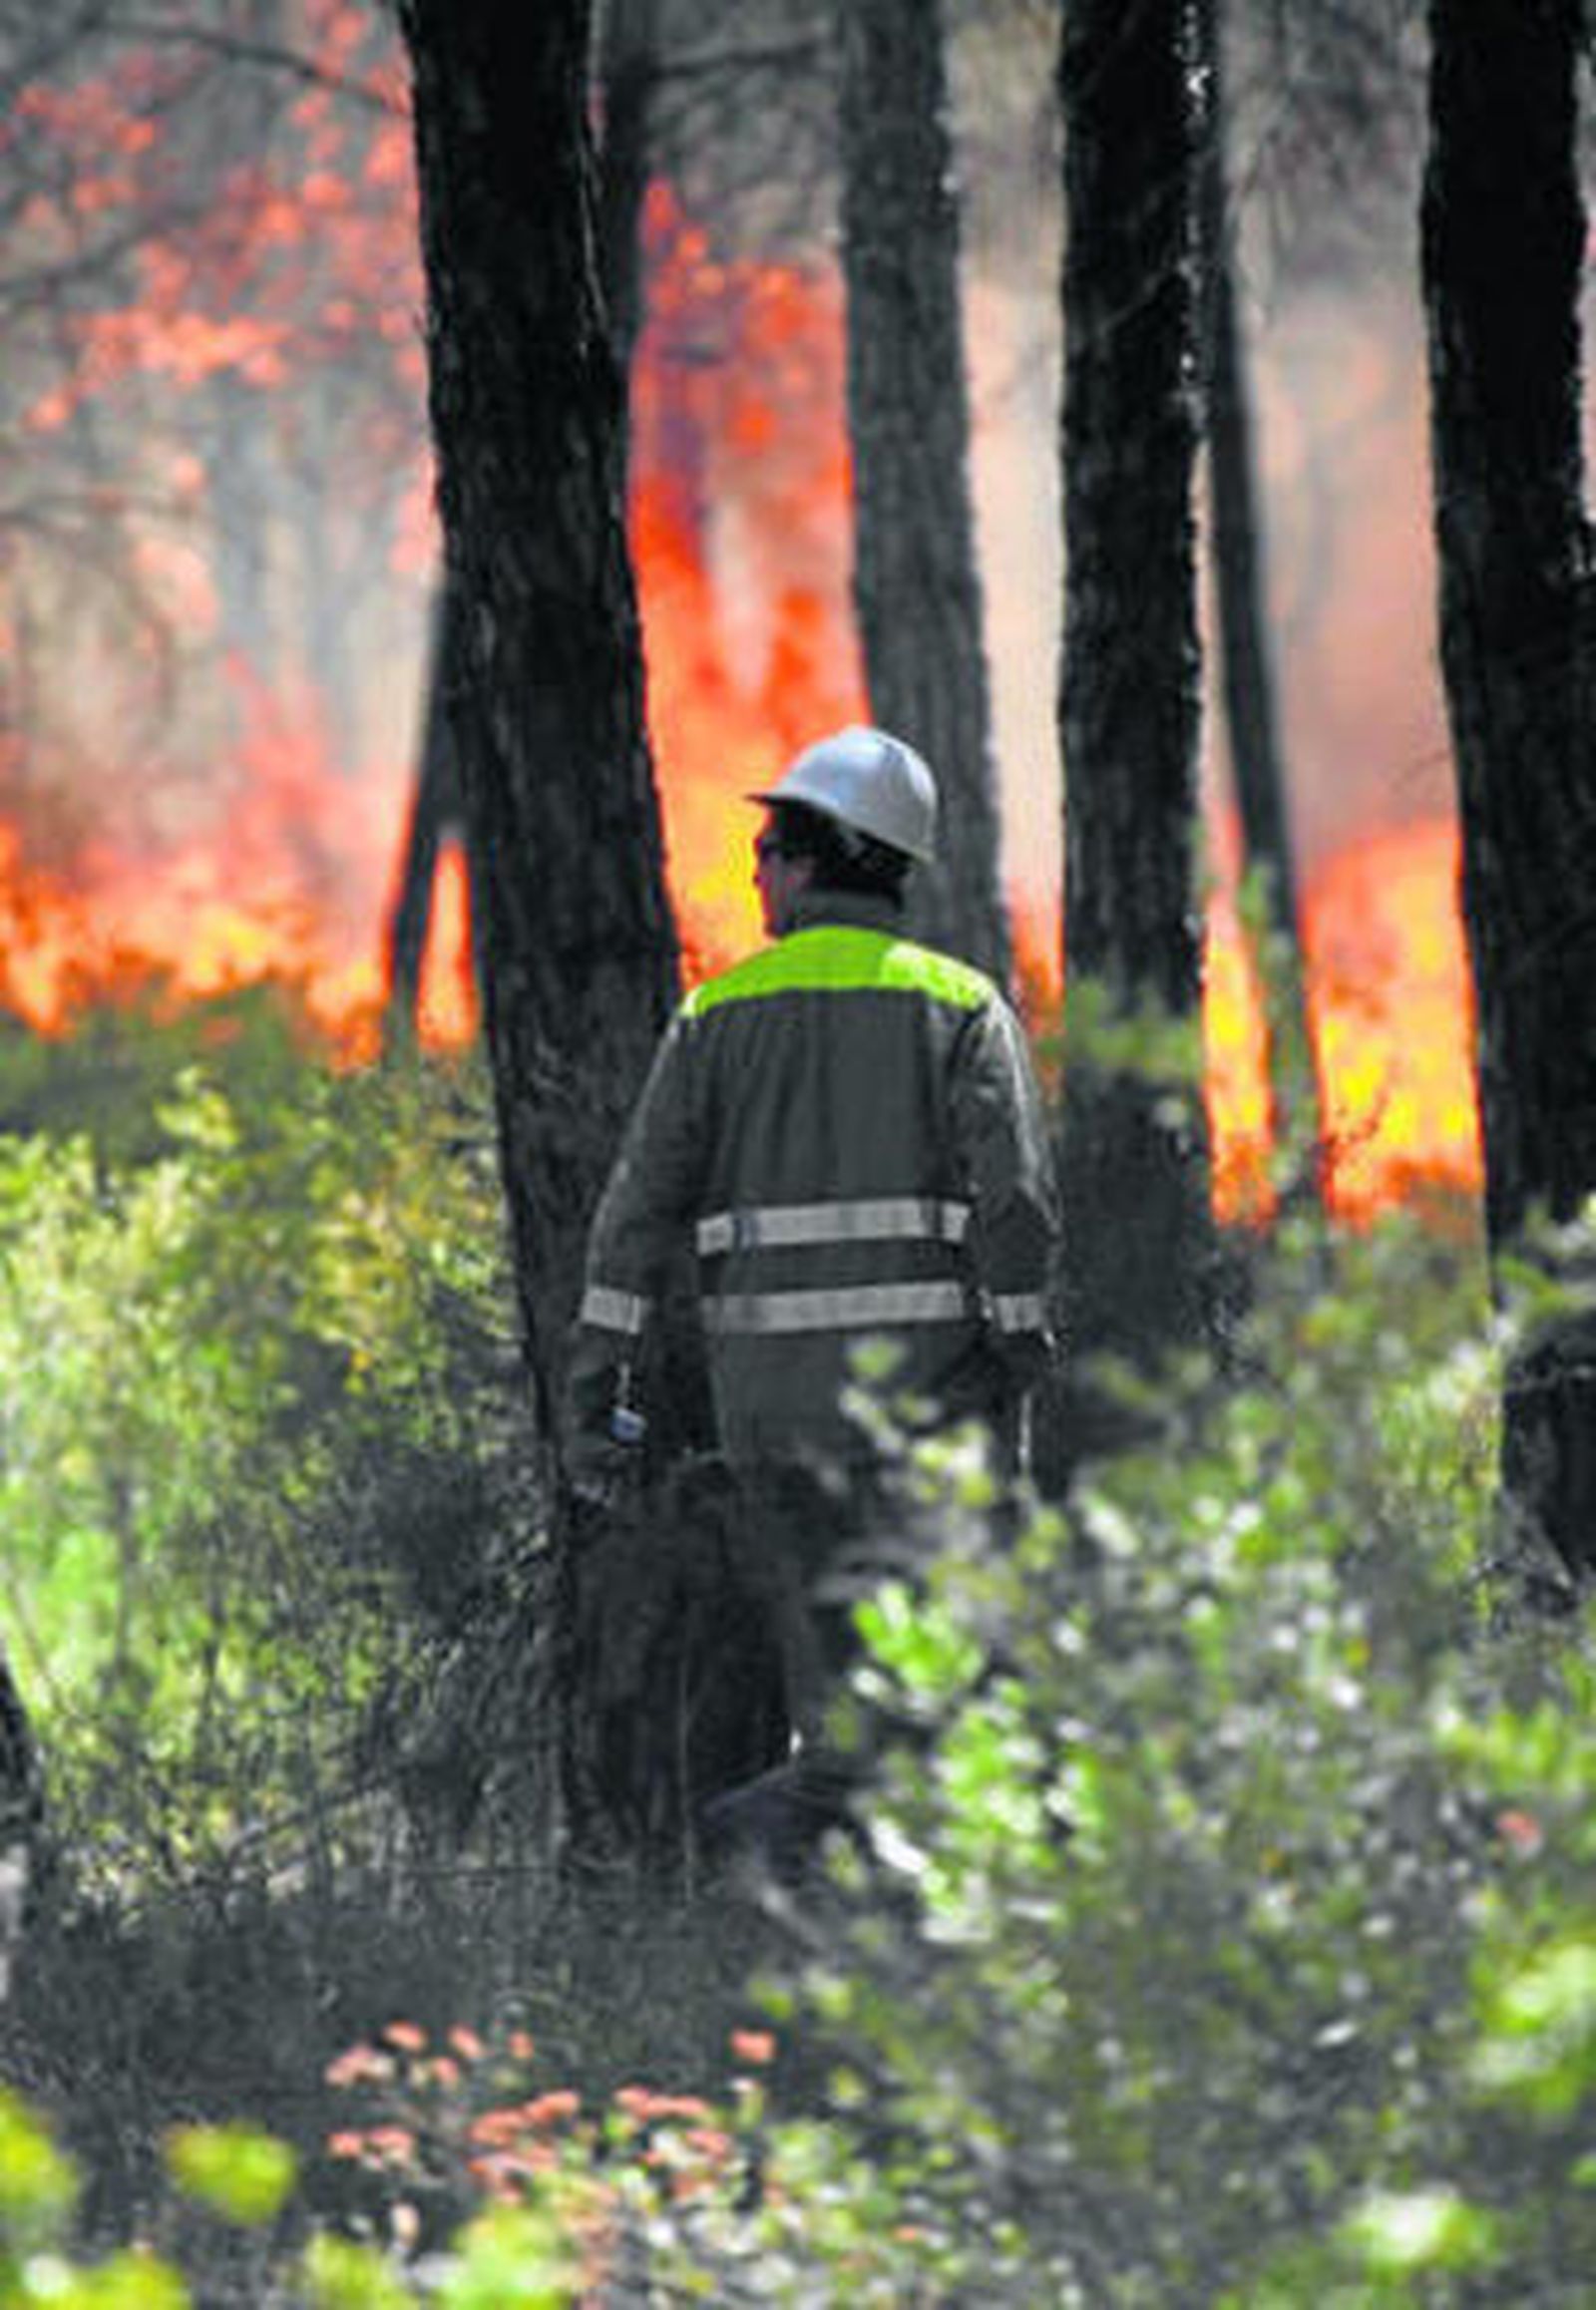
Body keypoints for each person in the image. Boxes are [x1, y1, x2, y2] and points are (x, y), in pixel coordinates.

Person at [563, 725, 1059, 1827]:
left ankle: (776, 1888)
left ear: (818, 855)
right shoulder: (962, 1009)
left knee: (838, 1712)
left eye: (769, 848)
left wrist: (605, 1408)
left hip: (777, 1434)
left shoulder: (715, 1018)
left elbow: (633, 1229)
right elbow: (1015, 1206)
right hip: (933, 1429)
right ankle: (821, 1889)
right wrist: (1020, 1353)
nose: (754, 871)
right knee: (947, 1707)